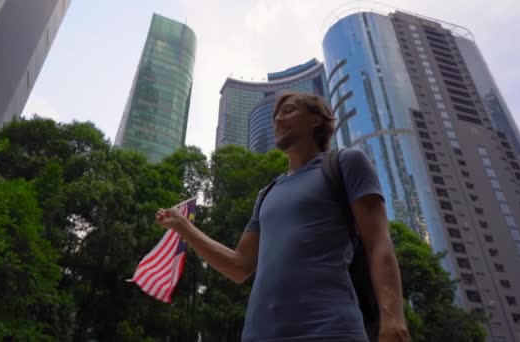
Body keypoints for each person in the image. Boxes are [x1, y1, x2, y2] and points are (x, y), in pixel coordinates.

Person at [156, 93, 409, 341]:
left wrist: (393, 319)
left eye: (289, 110)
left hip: (331, 330)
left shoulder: (346, 162)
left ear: (316, 119)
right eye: (276, 114)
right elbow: (238, 266)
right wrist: (184, 227)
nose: (277, 119)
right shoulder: (266, 194)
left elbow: (378, 243)